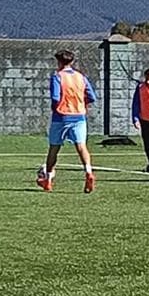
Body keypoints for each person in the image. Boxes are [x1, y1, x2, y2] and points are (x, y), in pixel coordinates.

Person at [36, 49, 97, 194]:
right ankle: (88, 172)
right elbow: (92, 96)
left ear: (59, 62)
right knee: (81, 146)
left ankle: (48, 180)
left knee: (54, 148)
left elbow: (56, 97)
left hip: (61, 116)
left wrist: (54, 108)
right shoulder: (80, 77)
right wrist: (82, 103)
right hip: (79, 116)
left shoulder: (57, 76)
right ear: (72, 62)